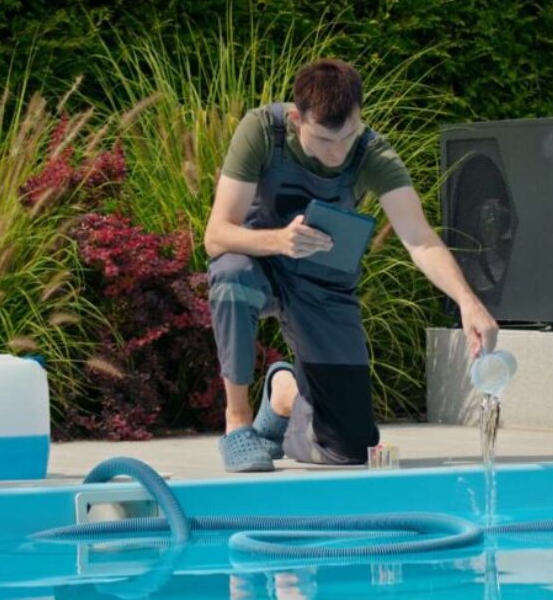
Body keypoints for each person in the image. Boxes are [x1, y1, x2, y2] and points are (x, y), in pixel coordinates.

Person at [204, 58, 498, 472]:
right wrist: (279, 241)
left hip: (324, 283)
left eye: (348, 135)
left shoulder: (373, 152)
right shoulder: (261, 130)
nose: (337, 151)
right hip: (260, 263)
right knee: (231, 276)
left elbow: (420, 238)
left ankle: (284, 393)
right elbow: (216, 234)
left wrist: (468, 301)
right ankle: (239, 423)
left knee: (351, 450)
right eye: (325, 139)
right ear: (296, 118)